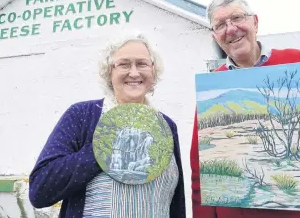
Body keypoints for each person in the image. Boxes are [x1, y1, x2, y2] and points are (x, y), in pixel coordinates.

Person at [190, 0, 300, 218]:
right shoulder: (213, 89)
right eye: (220, 25)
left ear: (255, 22)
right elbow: (199, 172)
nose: (231, 29)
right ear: (215, 37)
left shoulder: (299, 62)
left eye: (237, 18)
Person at [29, 32, 186, 218]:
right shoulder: (83, 116)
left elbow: (176, 203)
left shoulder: (166, 126)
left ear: (153, 70)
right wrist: (105, 147)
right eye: (124, 64)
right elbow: (40, 190)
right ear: (109, 72)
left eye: (142, 64)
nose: (134, 72)